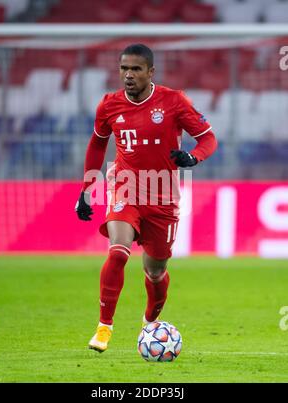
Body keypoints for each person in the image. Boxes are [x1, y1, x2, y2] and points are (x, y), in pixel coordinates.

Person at [75, 44, 218, 352]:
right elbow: (98, 144)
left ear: (151, 72)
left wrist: (193, 158)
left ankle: (149, 322)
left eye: (136, 69)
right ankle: (104, 327)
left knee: (155, 272)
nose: (128, 75)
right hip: (124, 186)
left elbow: (208, 138)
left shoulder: (174, 101)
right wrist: (87, 187)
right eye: (124, 68)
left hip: (164, 195)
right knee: (118, 251)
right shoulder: (109, 105)